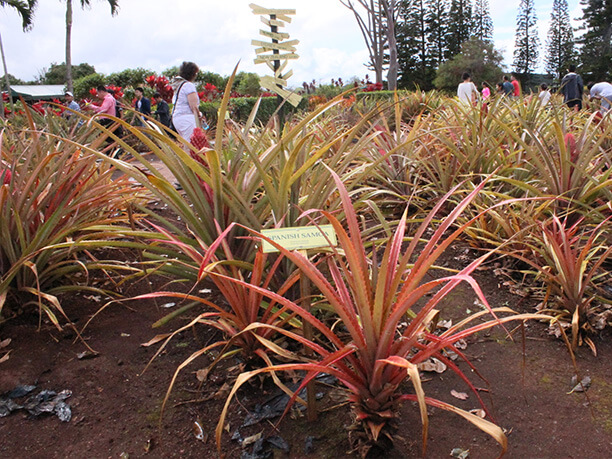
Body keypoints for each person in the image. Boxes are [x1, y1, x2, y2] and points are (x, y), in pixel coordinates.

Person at [171, 61, 205, 143]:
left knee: (187, 142)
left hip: (177, 118)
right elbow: (193, 106)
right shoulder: (188, 85)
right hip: (187, 118)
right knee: (191, 144)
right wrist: (200, 116)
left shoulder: (179, 85)